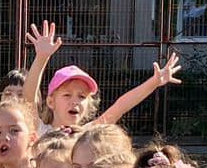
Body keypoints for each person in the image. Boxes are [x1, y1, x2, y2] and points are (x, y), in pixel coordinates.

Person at [20, 20, 184, 131]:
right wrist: (41, 57)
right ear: (50, 101)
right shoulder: (40, 131)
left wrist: (153, 83)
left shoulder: (87, 135)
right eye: (67, 95)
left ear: (89, 104)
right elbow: (28, 98)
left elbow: (120, 106)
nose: (75, 101)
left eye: (82, 96)